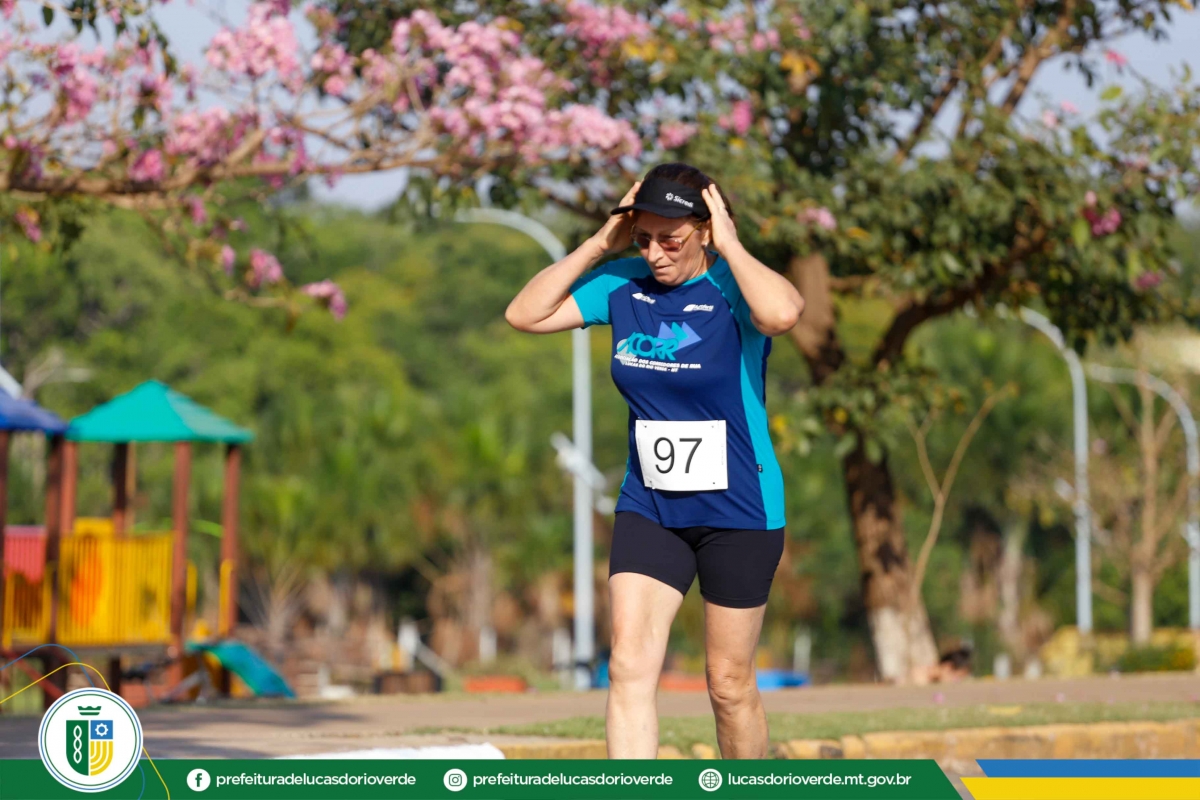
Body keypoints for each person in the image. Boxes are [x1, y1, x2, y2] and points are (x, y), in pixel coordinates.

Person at [506, 163, 805, 759]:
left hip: (739, 509)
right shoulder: (623, 285)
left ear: (705, 230)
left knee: (728, 683)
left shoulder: (735, 289)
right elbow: (525, 315)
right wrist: (600, 243)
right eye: (643, 238)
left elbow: (782, 314)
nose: (655, 253)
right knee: (628, 666)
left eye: (671, 240)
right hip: (651, 504)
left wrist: (732, 246)